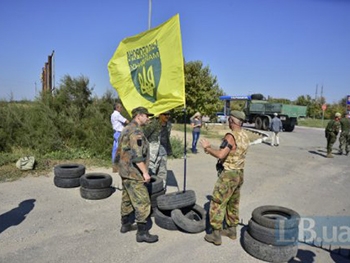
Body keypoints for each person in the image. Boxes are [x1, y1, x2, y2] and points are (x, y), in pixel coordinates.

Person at [200, 110, 250, 246]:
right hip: (239, 174)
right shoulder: (245, 135)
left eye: (229, 119)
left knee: (217, 202)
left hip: (228, 175)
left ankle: (215, 235)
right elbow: (233, 152)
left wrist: (208, 148)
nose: (228, 121)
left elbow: (221, 154)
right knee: (233, 203)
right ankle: (231, 230)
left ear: (232, 121)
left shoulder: (230, 136)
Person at [116, 106, 158, 243]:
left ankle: (125, 224)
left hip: (124, 170)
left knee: (127, 198)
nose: (148, 118)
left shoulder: (127, 128)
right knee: (143, 201)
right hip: (134, 172)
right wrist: (145, 173)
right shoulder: (136, 132)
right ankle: (142, 233)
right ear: (139, 116)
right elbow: (137, 156)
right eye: (146, 115)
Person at [143, 111, 172, 188]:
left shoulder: (168, 125)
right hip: (153, 152)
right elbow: (145, 135)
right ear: (160, 115)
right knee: (151, 171)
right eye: (165, 114)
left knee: (162, 172)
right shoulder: (153, 123)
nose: (167, 116)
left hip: (163, 151)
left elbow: (167, 137)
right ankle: (150, 189)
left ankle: (162, 188)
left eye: (168, 114)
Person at [110, 103, 129, 172]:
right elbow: (125, 121)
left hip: (115, 132)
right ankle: (118, 165)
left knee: (115, 149)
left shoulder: (112, 114)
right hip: (119, 132)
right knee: (120, 149)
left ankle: (114, 164)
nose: (121, 108)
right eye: (120, 107)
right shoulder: (117, 114)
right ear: (117, 108)